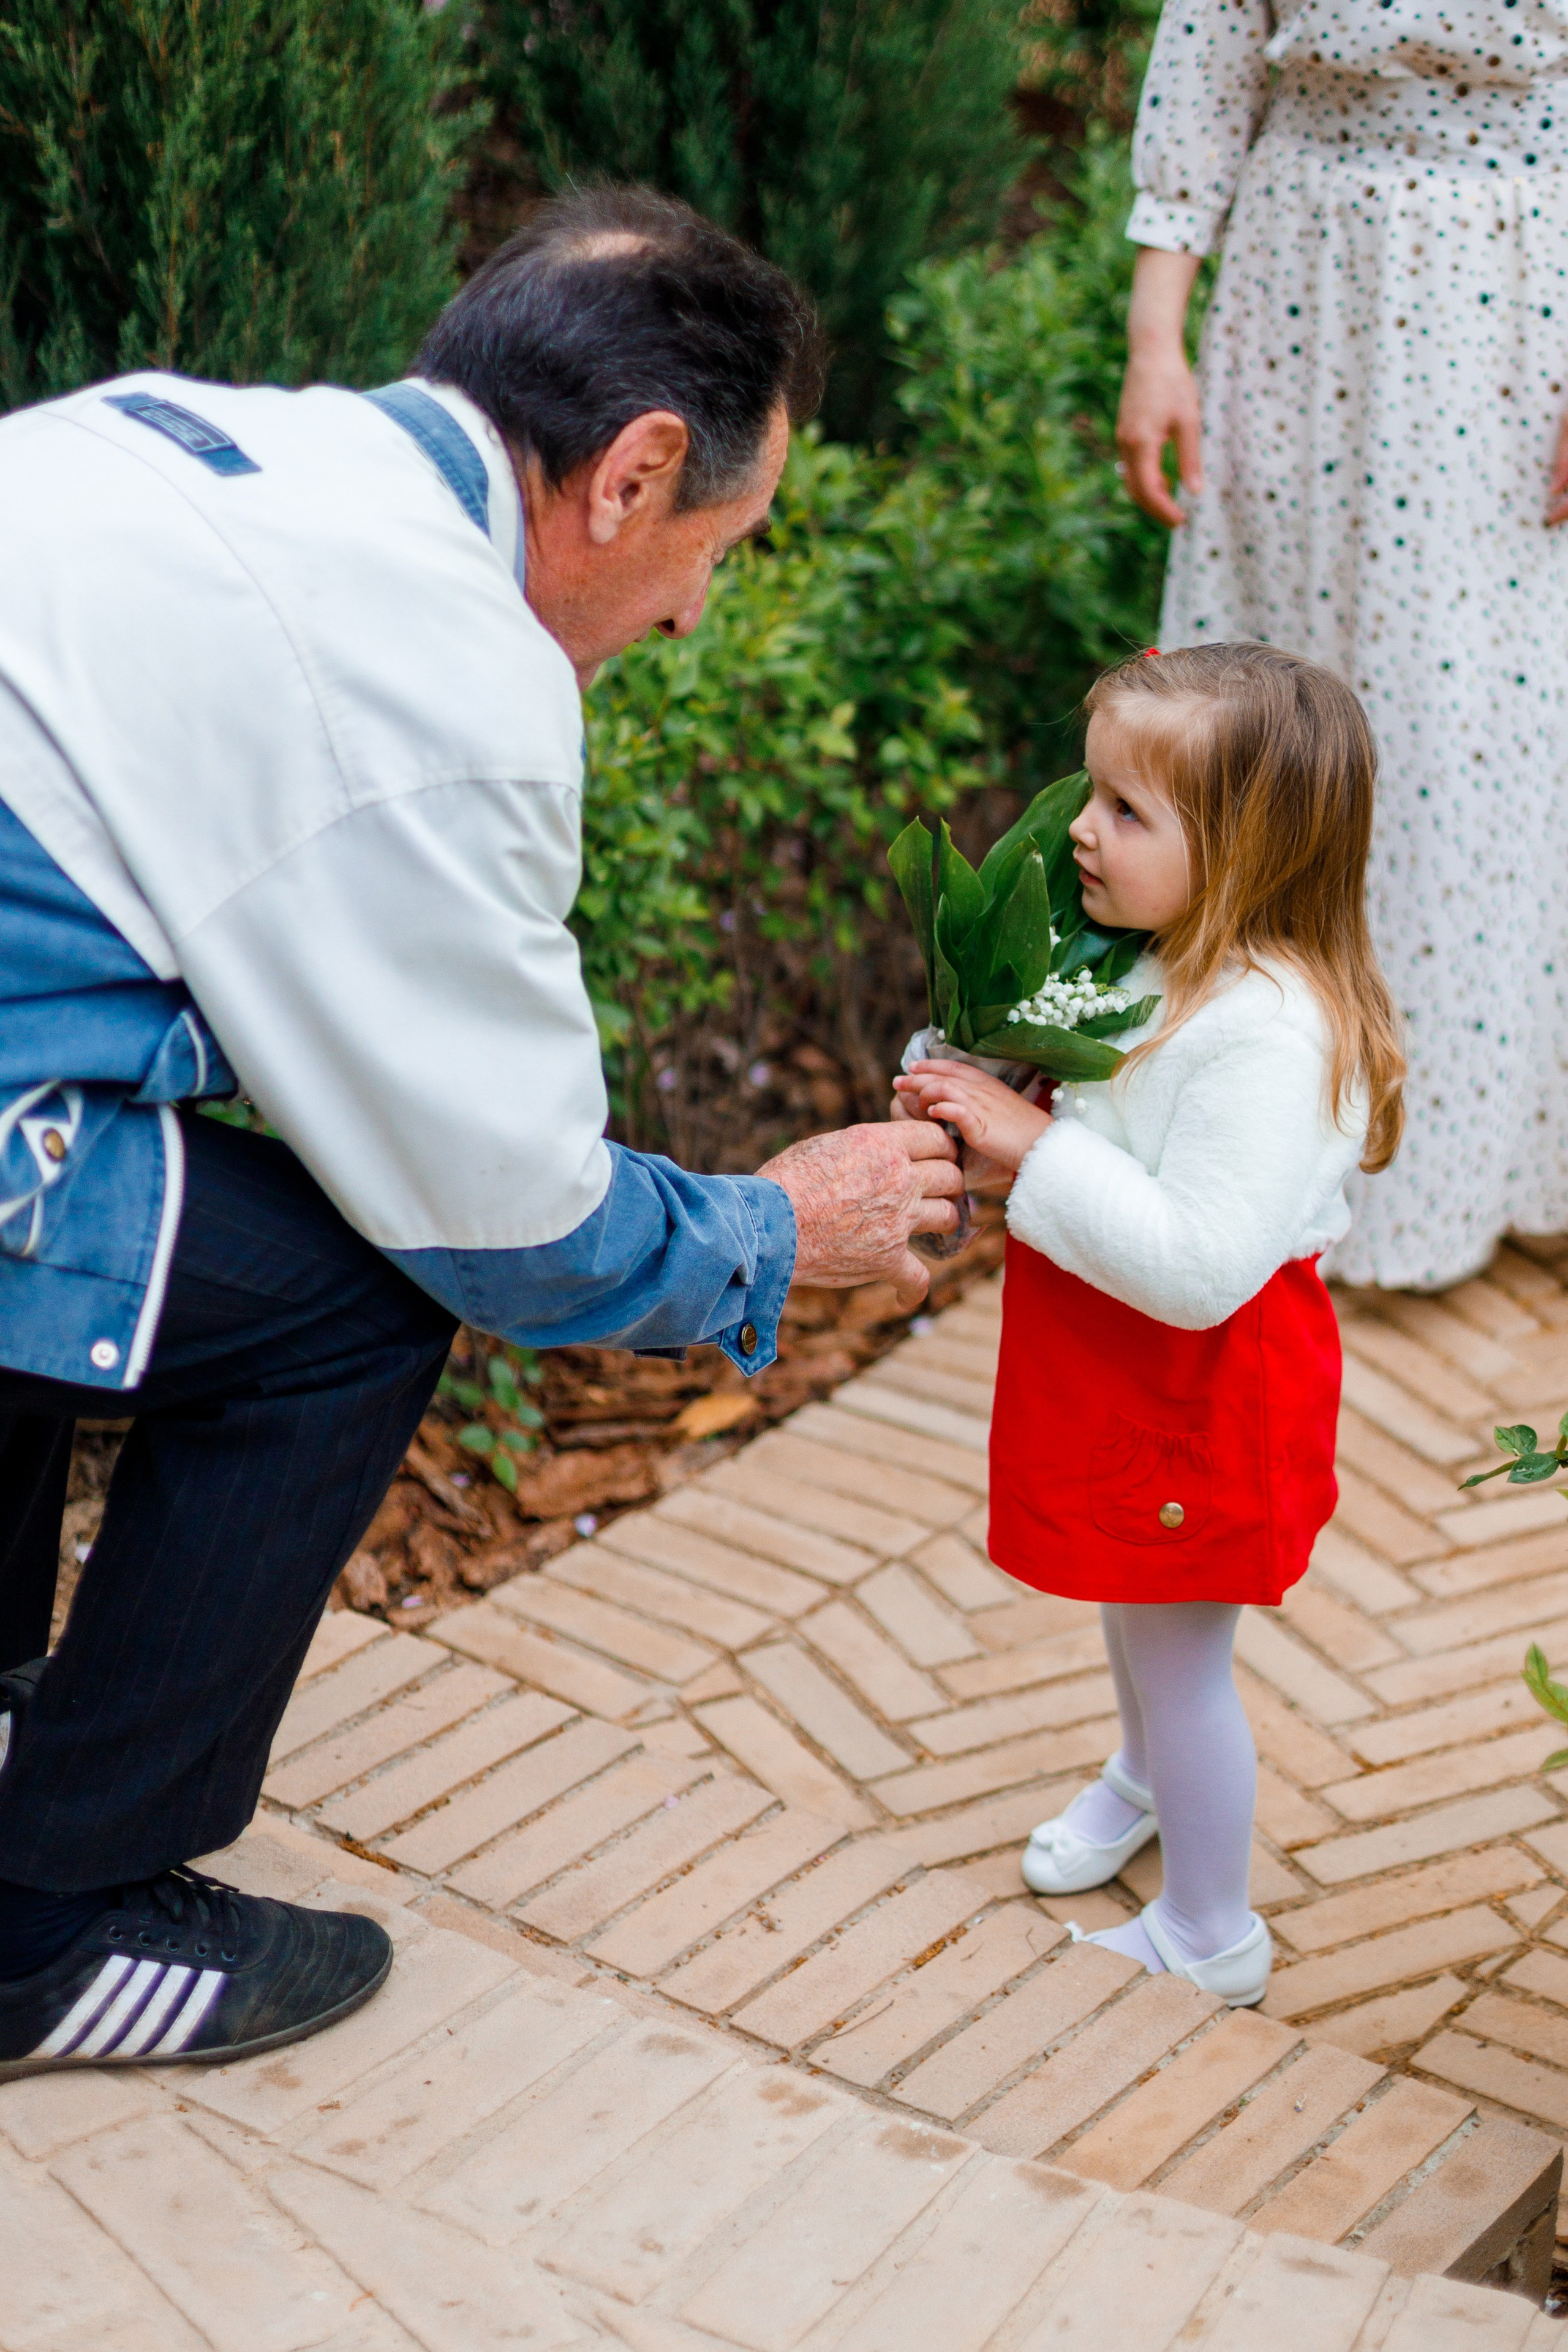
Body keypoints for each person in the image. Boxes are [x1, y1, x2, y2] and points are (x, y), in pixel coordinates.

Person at [0, 187, 962, 2080]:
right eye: (719, 547)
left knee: (115, 1186)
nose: (695, 610)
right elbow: (507, 1222)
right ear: (635, 474)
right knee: (337, 1302)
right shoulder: (447, 676)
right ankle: (48, 1930)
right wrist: (774, 1228)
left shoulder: (184, 427)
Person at [895, 643, 1404, 2005]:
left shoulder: (1268, 1036)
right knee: (1133, 1611)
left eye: (1126, 810)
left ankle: (1209, 1929)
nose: (1078, 827)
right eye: (1093, 793)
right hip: (1122, 1362)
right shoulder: (1155, 954)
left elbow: (1194, 1267)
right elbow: (1087, 1090)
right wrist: (972, 1085)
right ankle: (1139, 1780)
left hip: (1201, 1377)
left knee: (1183, 1660)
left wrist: (1027, 1146)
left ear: (1242, 851)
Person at [1115, 0, 1568, 1291]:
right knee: (1276, 724)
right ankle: (1248, 1162)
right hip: (1300, 305)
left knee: (1485, 736)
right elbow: (1196, 93)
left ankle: (1484, 1163)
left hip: (1519, 316)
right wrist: (1155, 342)